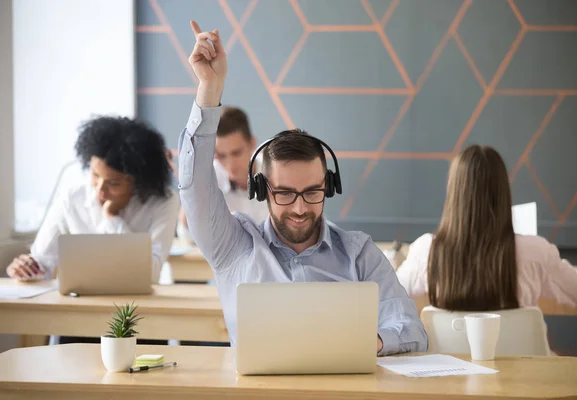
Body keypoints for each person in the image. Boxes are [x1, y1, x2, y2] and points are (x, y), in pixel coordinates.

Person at [177, 21, 427, 356]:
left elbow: (411, 329)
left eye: (312, 192)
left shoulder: (359, 254)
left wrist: (372, 342)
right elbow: (194, 189)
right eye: (284, 193)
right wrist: (209, 88)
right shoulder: (232, 246)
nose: (299, 208)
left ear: (329, 186)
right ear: (263, 190)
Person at [397, 145, 577, 311]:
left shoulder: (426, 251)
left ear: (454, 193)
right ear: (503, 193)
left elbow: (388, 297)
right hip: (522, 358)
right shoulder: (537, 252)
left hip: (451, 358)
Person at [6, 116, 180, 284]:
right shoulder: (72, 199)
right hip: (78, 301)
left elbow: (150, 272)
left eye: (113, 182)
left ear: (138, 180)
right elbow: (43, 262)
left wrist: (111, 218)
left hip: (136, 306)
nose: (100, 188)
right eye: (95, 175)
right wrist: (27, 268)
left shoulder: (163, 202)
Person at [177, 106, 268, 243]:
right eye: (221, 156)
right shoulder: (210, 175)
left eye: (236, 153)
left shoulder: (275, 173)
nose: (230, 164)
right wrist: (193, 189)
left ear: (252, 144)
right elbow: (186, 235)